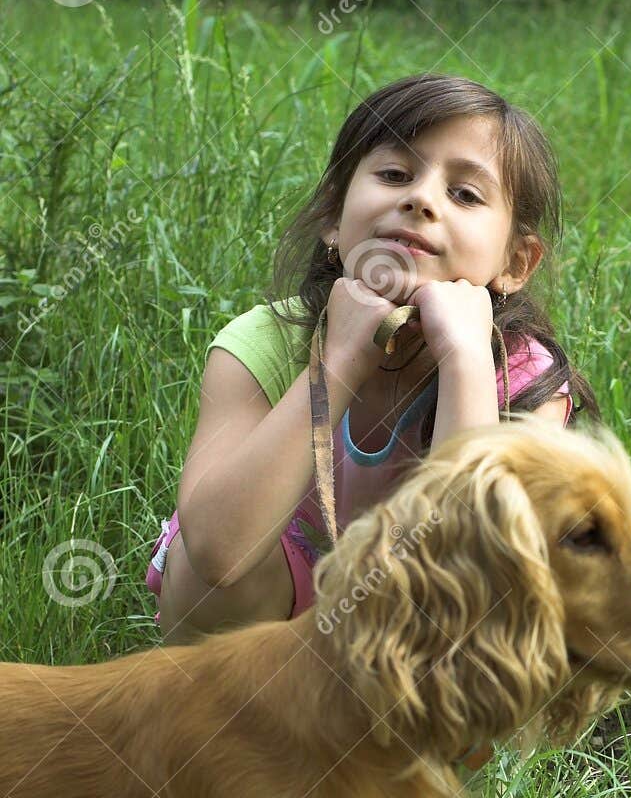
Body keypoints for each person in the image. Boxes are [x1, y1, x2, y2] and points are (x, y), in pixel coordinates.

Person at [145, 72, 599, 644]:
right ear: (335, 218)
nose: (421, 198)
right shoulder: (262, 344)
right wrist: (335, 364)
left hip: (418, 632)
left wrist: (465, 363)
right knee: (202, 577)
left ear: (515, 263)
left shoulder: (526, 379)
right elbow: (216, 554)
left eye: (464, 194)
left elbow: (475, 579)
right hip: (269, 618)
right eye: (394, 174)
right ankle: (247, 727)